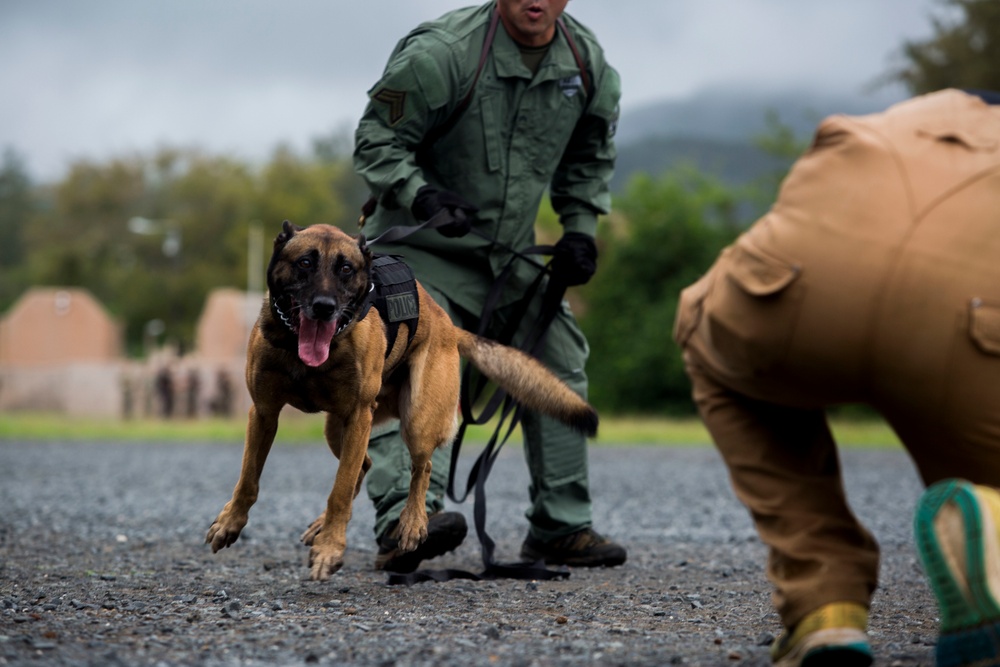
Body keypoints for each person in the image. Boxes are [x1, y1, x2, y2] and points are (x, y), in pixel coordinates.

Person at [674, 88, 1000, 667]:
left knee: (709, 335)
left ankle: (824, 607)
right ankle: (991, 528)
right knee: (988, 480)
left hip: (802, 281)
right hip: (969, 310)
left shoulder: (920, 113)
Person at [353, 0, 626, 573]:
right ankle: (405, 525)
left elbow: (589, 158)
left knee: (557, 353)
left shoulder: (585, 62)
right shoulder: (441, 54)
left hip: (505, 257)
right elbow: (377, 140)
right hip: (419, 245)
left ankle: (561, 526)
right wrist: (420, 192)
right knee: (412, 352)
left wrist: (579, 232)